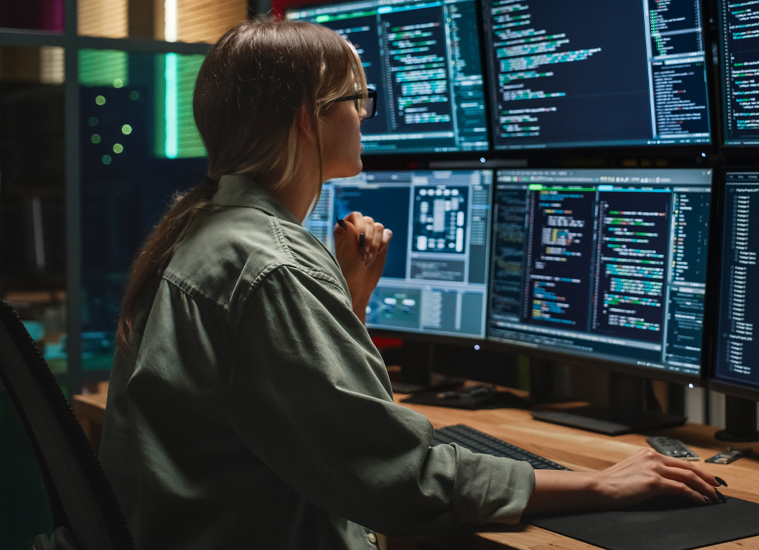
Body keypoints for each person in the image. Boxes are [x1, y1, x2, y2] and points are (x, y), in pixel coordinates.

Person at [98, 16, 723, 550]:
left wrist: (347, 301)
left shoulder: (204, 230)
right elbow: (398, 479)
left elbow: (290, 413)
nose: (366, 115)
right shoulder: (272, 267)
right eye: (357, 98)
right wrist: (600, 482)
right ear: (307, 122)